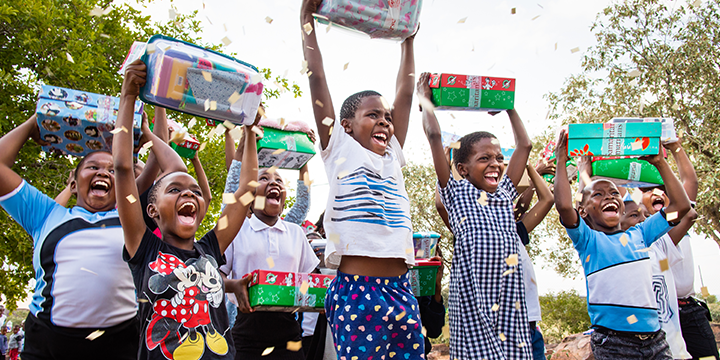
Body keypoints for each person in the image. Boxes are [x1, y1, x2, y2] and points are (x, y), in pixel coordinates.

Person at [0, 109, 183, 359]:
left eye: (112, 170)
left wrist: (148, 137)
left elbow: (173, 172)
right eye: (92, 167)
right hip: (47, 345)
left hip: (119, 345)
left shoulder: (133, 216)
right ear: (73, 183)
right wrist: (35, 123)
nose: (103, 173)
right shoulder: (44, 213)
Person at [301, 0, 423, 357]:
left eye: (387, 117)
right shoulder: (338, 148)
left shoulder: (392, 155)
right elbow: (318, 78)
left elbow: (405, 92)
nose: (385, 121)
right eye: (373, 115)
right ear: (346, 125)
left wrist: (408, 42)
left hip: (400, 289)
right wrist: (306, 21)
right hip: (357, 290)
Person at [114, 59, 258, 360]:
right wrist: (128, 97)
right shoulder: (143, 247)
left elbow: (246, 192)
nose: (188, 194)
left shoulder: (210, 248)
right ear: (151, 210)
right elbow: (123, 168)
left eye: (194, 191)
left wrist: (249, 132)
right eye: (175, 189)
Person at [418, 71, 534, 359]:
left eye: (498, 158)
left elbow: (525, 145)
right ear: (464, 169)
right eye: (484, 158)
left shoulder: (505, 192)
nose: (495, 164)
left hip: (510, 302)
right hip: (472, 302)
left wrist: (509, 107)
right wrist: (425, 101)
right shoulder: (456, 194)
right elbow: (434, 136)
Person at [553, 129, 691, 360]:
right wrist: (561, 159)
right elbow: (565, 206)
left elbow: (681, 206)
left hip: (656, 340)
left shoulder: (641, 234)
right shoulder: (588, 240)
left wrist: (660, 163)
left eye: (614, 193)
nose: (609, 196)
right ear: (584, 211)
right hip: (614, 344)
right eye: (598, 194)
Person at [219, 155, 319, 359]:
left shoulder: (296, 232)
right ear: (251, 195)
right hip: (247, 334)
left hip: (289, 333)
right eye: (264, 178)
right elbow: (214, 279)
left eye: (279, 180)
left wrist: (305, 157)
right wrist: (235, 286)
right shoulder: (236, 230)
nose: (273, 182)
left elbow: (311, 279)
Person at [639, 140, 719, 360]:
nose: (656, 192)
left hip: (689, 311)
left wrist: (675, 148)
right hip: (662, 315)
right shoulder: (641, 234)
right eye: (647, 190)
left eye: (662, 189)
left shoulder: (678, 219)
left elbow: (689, 182)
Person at [620, 196, 693, 359]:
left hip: (675, 351)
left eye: (646, 215)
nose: (643, 219)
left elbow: (688, 213)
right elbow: (583, 212)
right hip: (641, 351)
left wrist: (662, 185)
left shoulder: (659, 246)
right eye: (634, 215)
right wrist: (584, 172)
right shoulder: (612, 251)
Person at [515, 163, 556, 360]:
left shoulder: (515, 233)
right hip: (501, 327)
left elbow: (547, 199)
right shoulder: (477, 235)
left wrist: (530, 169)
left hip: (529, 326)